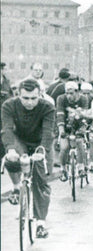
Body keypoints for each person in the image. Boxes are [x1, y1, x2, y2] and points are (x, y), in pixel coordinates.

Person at [1, 78, 55, 238]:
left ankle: (40, 223)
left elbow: (48, 132)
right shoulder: (8, 105)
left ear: (40, 95)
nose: (30, 102)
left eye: (34, 98)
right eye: (25, 98)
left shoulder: (48, 107)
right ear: (18, 95)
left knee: (41, 180)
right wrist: (10, 149)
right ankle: (17, 187)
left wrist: (43, 151)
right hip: (20, 140)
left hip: (40, 143)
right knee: (12, 158)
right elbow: (7, 129)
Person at [55, 81, 90, 181]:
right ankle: (62, 168)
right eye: (67, 93)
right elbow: (60, 114)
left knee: (79, 142)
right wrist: (61, 130)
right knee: (64, 147)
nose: (69, 96)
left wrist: (83, 129)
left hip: (79, 124)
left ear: (77, 92)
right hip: (65, 124)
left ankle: (81, 167)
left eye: (71, 93)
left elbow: (84, 115)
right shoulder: (61, 99)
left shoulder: (83, 99)